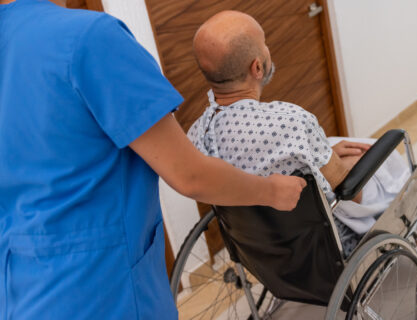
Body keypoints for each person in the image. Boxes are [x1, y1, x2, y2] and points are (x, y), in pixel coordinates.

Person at [0, 1, 306, 319]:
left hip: (19, 291)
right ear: (257, 66)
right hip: (98, 292)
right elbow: (190, 175)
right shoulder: (88, 39)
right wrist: (272, 191)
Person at [187, 10, 417, 257]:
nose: (267, 49)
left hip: (261, 249)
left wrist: (323, 153)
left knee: (340, 148)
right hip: (324, 243)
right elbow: (349, 190)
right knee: (377, 157)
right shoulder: (291, 121)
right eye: (264, 44)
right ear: (257, 68)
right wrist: (338, 163)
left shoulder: (196, 136)